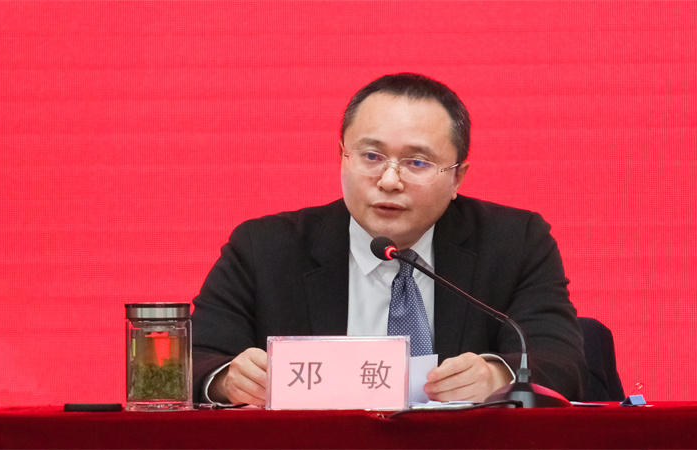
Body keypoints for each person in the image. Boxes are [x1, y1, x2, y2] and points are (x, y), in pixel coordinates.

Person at [191, 73, 587, 406]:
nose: (390, 181)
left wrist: (497, 376)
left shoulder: (515, 242)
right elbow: (193, 358)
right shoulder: (265, 248)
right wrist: (227, 379)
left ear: (457, 177)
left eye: (417, 162)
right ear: (342, 157)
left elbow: (561, 361)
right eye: (371, 157)